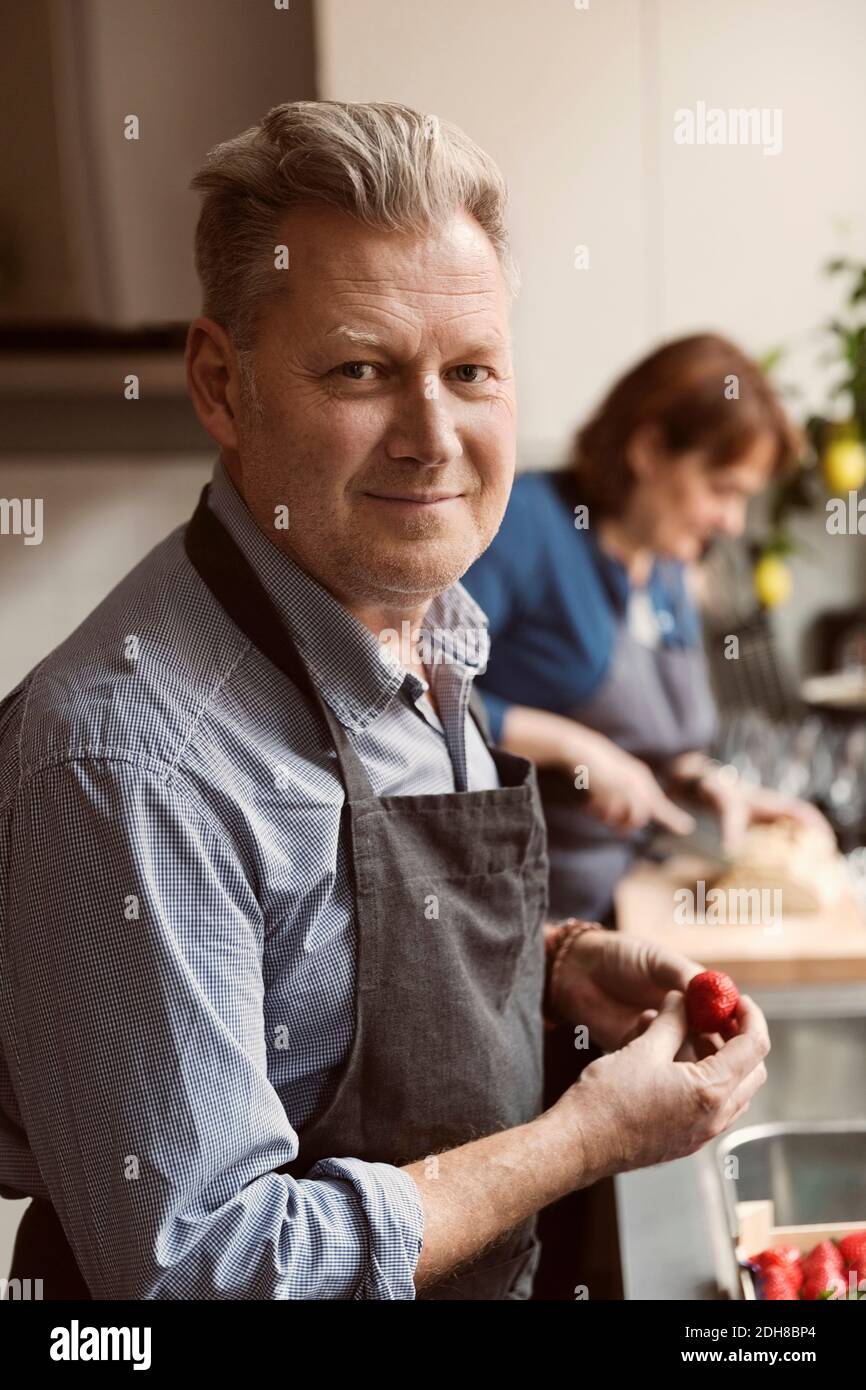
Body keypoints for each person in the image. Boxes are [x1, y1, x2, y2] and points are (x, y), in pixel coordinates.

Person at [0, 103, 769, 1301]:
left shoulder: (425, 626)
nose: (431, 437)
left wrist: (546, 967)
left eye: (470, 372)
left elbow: (321, 970)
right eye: (361, 369)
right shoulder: (130, 763)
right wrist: (581, 1140)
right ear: (220, 382)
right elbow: (205, 1275)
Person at [463, 334, 834, 924]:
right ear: (651, 450)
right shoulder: (524, 524)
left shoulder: (668, 567)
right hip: (520, 922)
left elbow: (652, 748)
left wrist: (705, 782)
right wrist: (572, 747)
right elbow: (413, 694)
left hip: (626, 907)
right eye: (722, 490)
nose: (732, 522)